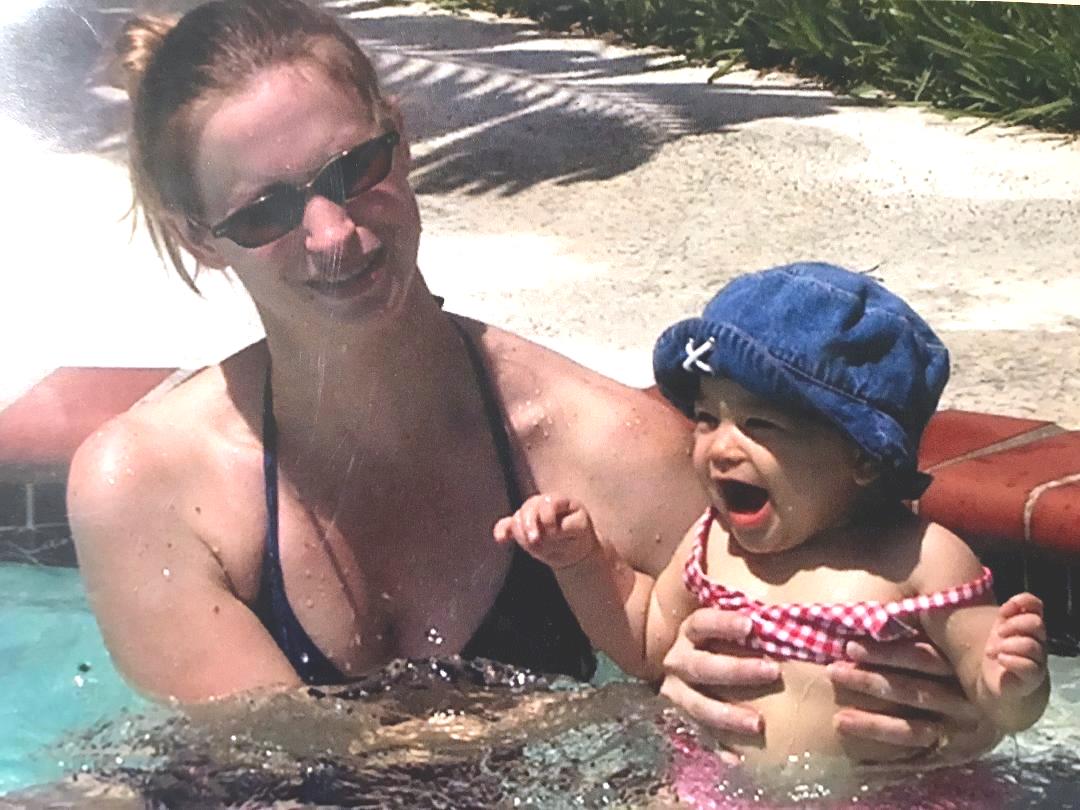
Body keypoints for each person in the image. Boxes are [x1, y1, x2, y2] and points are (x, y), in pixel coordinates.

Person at [67, 0, 997, 764]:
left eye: (355, 168)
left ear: (400, 136)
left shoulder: (610, 450)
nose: (334, 233)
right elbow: (279, 761)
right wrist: (622, 711)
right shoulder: (148, 487)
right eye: (266, 211)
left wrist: (949, 713)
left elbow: (846, 623)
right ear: (199, 238)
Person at [495, 263, 1049, 764]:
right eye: (707, 418)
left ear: (862, 456)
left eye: (759, 425)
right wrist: (582, 562)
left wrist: (1013, 678)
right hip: (712, 796)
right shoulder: (711, 544)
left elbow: (994, 697)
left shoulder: (921, 559)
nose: (721, 447)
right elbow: (643, 644)